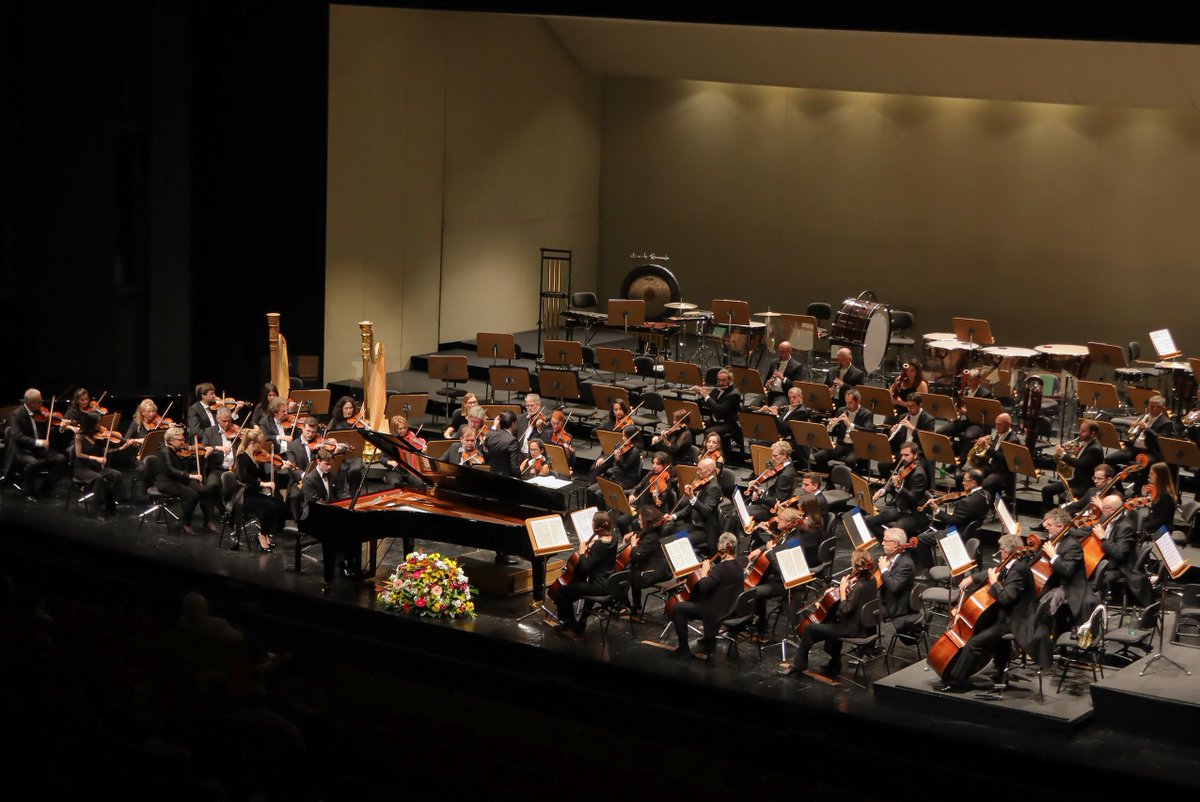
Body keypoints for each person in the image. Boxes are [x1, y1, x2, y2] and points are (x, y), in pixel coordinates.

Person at [940, 533, 1046, 692]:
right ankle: (999, 670)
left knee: (974, 643)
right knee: (985, 628)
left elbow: (1005, 599)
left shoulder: (1018, 570)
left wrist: (994, 582)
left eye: (1001, 549)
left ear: (1007, 552)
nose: (999, 552)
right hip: (1009, 615)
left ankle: (957, 683)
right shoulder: (1013, 564)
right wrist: (972, 578)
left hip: (1016, 621)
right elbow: (997, 571)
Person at [778, 550, 878, 681]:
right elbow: (855, 603)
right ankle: (834, 662)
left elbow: (844, 610)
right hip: (863, 625)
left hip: (852, 629)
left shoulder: (858, 586)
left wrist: (842, 591)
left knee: (810, 628)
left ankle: (799, 664)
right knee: (829, 619)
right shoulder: (872, 580)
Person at [668, 532, 743, 659]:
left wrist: (704, 572)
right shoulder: (738, 566)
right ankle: (708, 642)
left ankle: (683, 649)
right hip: (731, 606)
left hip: (717, 611)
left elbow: (704, 588)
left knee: (678, 607)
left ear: (720, 547)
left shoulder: (721, 568)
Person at [551, 511, 618, 640]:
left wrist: (582, 552)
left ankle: (570, 625)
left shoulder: (599, 545)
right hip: (608, 582)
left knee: (563, 592)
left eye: (593, 523)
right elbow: (601, 551)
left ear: (597, 527)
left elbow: (585, 567)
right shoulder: (613, 539)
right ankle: (581, 623)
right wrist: (593, 546)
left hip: (598, 587)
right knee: (574, 588)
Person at [301, 449, 362, 580]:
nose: (329, 467)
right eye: (326, 464)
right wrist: (335, 509)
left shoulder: (332, 475)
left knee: (351, 527)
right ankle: (341, 562)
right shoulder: (309, 479)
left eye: (331, 464)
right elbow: (316, 501)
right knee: (338, 531)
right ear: (318, 462)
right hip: (314, 515)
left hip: (330, 511)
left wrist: (350, 501)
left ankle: (351, 562)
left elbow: (340, 492)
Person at [1037, 508, 1098, 635]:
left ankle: (1044, 635)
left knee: (1044, 602)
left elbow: (1067, 571)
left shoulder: (1072, 545)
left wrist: (1053, 556)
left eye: (1049, 525)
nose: (1046, 528)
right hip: (1057, 582)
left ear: (1060, 526)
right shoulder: (1055, 538)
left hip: (1070, 588)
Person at [234, 428, 291, 553]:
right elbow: (243, 477)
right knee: (268, 506)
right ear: (252, 443)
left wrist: (278, 468)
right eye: (260, 443)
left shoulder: (257, 457)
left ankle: (267, 533)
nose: (262, 446)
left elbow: (265, 476)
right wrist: (263, 483)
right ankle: (262, 535)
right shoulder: (241, 457)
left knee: (279, 504)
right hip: (244, 496)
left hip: (255, 494)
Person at [156, 426, 221, 534]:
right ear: (171, 441)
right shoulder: (165, 451)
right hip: (167, 482)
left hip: (179, 479)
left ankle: (209, 521)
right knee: (192, 495)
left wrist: (203, 456)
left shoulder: (176, 450)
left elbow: (185, 467)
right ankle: (186, 524)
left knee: (205, 490)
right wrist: (191, 476)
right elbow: (170, 470)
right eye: (180, 440)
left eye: (183, 439)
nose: (183, 442)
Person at [6, 388, 68, 500]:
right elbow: (17, 436)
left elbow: (49, 430)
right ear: (29, 403)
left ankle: (46, 488)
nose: (41, 403)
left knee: (61, 458)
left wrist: (61, 428)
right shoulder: (16, 415)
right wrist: (39, 442)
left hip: (37, 448)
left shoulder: (39, 413)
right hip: (23, 449)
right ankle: (28, 492)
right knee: (33, 463)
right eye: (39, 401)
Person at [1093, 494, 1152, 607]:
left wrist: (1103, 538)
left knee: (1093, 576)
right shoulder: (1108, 517)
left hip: (1121, 567)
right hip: (1110, 559)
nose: (1101, 509)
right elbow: (1090, 529)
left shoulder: (1126, 527)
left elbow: (1119, 555)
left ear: (1112, 510)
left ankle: (1094, 606)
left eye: (1103, 507)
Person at [865, 442, 929, 538]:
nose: (903, 458)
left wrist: (899, 488)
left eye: (906, 455)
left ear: (915, 455)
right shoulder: (906, 467)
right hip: (901, 509)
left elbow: (914, 498)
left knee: (893, 535)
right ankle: (889, 545)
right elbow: (893, 482)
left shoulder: (918, 474)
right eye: (902, 455)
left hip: (913, 513)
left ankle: (897, 547)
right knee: (869, 520)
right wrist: (883, 490)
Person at [663, 457, 723, 557]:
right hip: (694, 525)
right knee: (669, 532)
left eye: (700, 469)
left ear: (709, 471)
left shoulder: (714, 488)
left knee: (678, 541)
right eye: (697, 468)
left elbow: (706, 511)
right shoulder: (701, 483)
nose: (697, 472)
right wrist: (673, 516)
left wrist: (692, 497)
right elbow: (690, 508)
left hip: (704, 529)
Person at [1040, 420, 1104, 513]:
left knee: (1063, 496)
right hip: (1075, 480)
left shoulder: (1095, 449)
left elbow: (1080, 464)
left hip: (1084, 485)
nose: (1080, 433)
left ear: (1092, 434)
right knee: (1047, 490)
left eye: (1083, 431)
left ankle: (1060, 522)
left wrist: (1063, 454)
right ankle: (1047, 520)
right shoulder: (1086, 443)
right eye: (1080, 430)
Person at [73, 413, 125, 521]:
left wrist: (122, 448)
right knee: (99, 479)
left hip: (95, 468)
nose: (100, 425)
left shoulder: (97, 435)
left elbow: (108, 450)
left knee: (116, 475)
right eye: (98, 423)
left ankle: (111, 503)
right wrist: (95, 458)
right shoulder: (79, 436)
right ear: (91, 424)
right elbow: (78, 454)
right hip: (82, 468)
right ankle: (98, 508)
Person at [811, 388, 873, 476]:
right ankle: (831, 480)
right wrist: (830, 426)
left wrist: (849, 424)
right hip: (841, 444)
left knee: (850, 461)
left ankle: (853, 485)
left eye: (850, 402)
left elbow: (867, 431)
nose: (847, 405)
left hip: (857, 446)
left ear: (858, 401)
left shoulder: (867, 414)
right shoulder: (841, 410)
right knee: (819, 456)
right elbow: (833, 431)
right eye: (846, 402)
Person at [877, 528, 919, 639]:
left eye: (885, 541)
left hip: (894, 607)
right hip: (887, 599)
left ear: (895, 544)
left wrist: (884, 570)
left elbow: (894, 587)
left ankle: (866, 644)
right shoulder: (892, 556)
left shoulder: (906, 564)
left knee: (862, 608)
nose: (882, 543)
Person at [746, 440, 797, 526]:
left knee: (739, 513)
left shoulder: (785, 475)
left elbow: (777, 503)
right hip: (767, 502)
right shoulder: (787, 466)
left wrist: (760, 493)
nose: (772, 458)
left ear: (784, 455)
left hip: (771, 511)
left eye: (775, 456)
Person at [695, 367, 742, 456]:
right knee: (694, 426)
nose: (721, 383)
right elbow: (709, 403)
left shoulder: (734, 394)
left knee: (708, 432)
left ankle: (705, 455)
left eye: (723, 380)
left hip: (728, 424)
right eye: (719, 380)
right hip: (715, 421)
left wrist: (706, 396)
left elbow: (719, 410)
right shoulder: (718, 387)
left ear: (730, 379)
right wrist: (700, 394)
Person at [383, 414, 427, 489]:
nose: (403, 431)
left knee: (421, 484)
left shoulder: (410, 437)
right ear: (394, 429)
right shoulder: (390, 440)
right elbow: (381, 458)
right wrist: (390, 462)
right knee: (395, 484)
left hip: (409, 470)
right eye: (400, 429)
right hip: (395, 471)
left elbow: (418, 452)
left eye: (404, 428)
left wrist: (423, 451)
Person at [1141, 461, 1178, 536]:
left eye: (1151, 474)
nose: (1149, 475)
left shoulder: (1166, 496)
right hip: (1155, 525)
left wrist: (1145, 526)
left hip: (1162, 530)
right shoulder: (1157, 491)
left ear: (1159, 476)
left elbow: (1161, 519)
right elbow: (1153, 514)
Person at [761, 341, 802, 407]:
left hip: (783, 395)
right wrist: (768, 383)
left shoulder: (796, 366)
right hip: (770, 392)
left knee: (773, 409)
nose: (780, 354)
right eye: (779, 351)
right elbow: (766, 379)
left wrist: (783, 378)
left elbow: (795, 387)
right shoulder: (774, 362)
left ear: (789, 351)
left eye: (783, 352)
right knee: (751, 406)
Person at [484, 409, 520, 478]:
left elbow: (489, 435)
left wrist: (494, 426)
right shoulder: (512, 441)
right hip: (506, 480)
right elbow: (514, 468)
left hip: (492, 476)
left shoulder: (490, 435)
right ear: (513, 424)